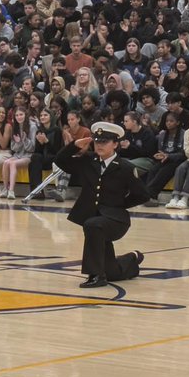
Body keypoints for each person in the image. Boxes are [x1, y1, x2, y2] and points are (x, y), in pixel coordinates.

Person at [54, 122, 149, 288]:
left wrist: (120, 204)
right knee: (112, 272)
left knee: (93, 225)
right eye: (97, 141)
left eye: (104, 142)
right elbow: (60, 161)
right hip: (96, 219)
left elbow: (142, 195)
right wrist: (74, 145)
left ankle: (95, 275)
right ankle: (132, 259)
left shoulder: (125, 167)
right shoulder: (88, 161)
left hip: (116, 220)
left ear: (115, 144)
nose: (99, 145)